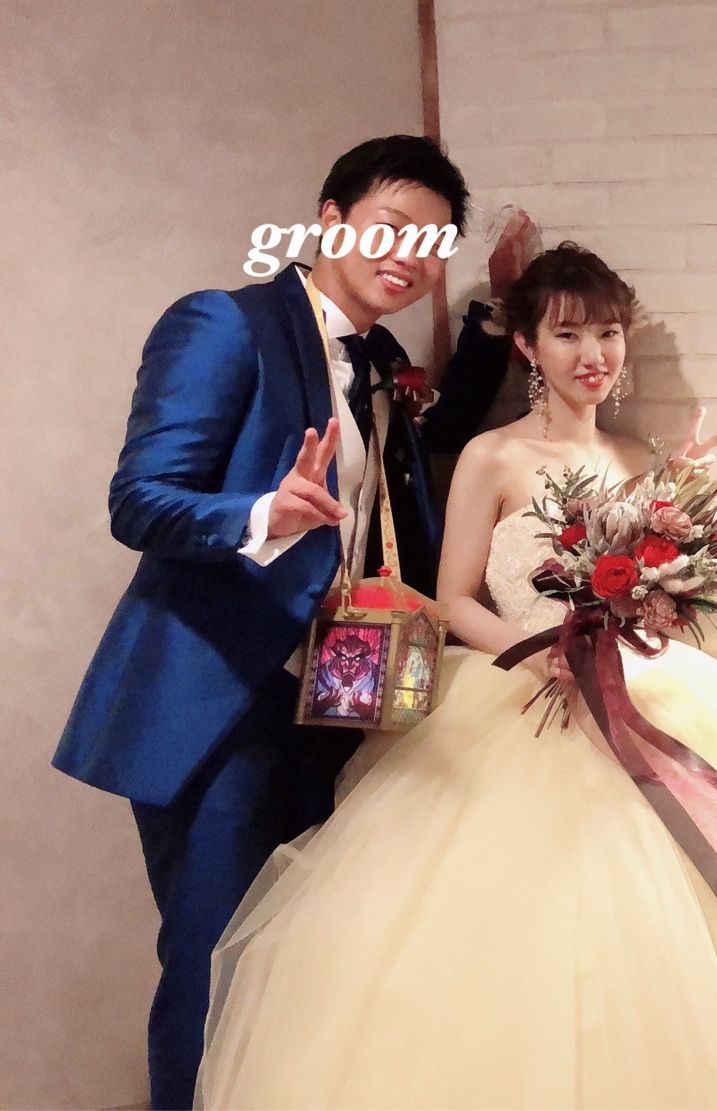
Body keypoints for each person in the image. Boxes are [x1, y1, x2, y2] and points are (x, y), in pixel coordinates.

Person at [197, 244, 717, 1109]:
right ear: (527, 346)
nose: (592, 354)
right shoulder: (492, 456)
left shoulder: (636, 457)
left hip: (648, 691)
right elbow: (452, 598)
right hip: (521, 694)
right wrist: (539, 655)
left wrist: (669, 567)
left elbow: (657, 597)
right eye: (568, 334)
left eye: (607, 332)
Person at [53, 135, 529, 1110]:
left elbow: (428, 444)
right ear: (330, 219)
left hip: (338, 704)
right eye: (390, 227)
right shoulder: (224, 325)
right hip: (221, 708)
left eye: (430, 243)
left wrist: (490, 322)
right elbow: (139, 500)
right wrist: (261, 513)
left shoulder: (379, 359)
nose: (407, 255)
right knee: (216, 966)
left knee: (302, 965)